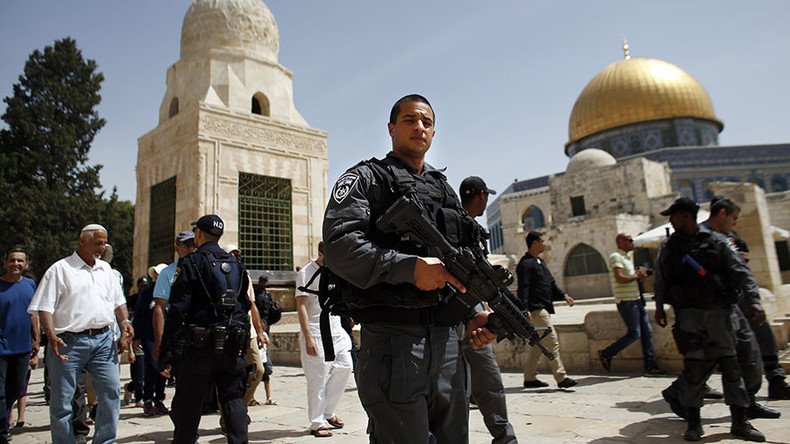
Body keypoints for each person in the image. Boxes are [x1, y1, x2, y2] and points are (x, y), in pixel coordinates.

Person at [323, 94, 495, 442]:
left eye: (427, 122)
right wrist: (407, 268)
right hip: (393, 341)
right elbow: (339, 245)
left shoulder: (442, 189)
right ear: (391, 128)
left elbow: (463, 258)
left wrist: (473, 311)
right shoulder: (367, 179)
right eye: (410, 120)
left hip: (447, 343)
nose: (420, 127)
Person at [653, 197, 766, 442]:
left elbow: (741, 272)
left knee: (731, 368)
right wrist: (659, 307)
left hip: (718, 315)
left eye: (673, 216)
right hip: (689, 317)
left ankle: (740, 421)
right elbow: (661, 280)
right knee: (694, 370)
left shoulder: (717, 242)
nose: (671, 221)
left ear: (685, 216)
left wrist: (754, 301)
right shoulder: (670, 247)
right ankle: (694, 424)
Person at [28, 224, 133, 444]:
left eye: (104, 243)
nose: (102, 247)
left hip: (104, 340)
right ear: (82, 241)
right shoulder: (60, 270)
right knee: (63, 401)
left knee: (111, 393)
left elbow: (118, 301)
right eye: (98, 243)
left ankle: (104, 440)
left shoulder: (106, 270)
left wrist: (124, 323)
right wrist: (50, 335)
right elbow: (44, 307)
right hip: (69, 342)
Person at [159, 215, 251, 444]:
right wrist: (244, 343)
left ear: (198, 234)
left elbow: (178, 310)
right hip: (231, 346)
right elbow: (244, 308)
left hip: (200, 347)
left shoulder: (190, 263)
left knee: (189, 403)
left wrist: (166, 350)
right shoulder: (237, 265)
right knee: (233, 399)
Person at [458, 176, 518, 444]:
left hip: (472, 317)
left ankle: (505, 439)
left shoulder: (473, 231)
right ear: (481, 196)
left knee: (488, 382)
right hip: (451, 321)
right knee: (453, 394)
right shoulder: (455, 226)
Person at [295, 241, 352, 438]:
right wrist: (308, 337)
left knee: (345, 367)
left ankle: (328, 411)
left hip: (336, 330)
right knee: (317, 379)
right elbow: (301, 306)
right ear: (320, 253)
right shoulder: (305, 272)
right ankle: (317, 421)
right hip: (316, 331)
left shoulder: (334, 271)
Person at [517, 231, 578, 389]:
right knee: (552, 342)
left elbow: (550, 283)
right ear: (535, 243)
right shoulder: (525, 264)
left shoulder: (540, 262)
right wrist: (524, 310)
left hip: (544, 307)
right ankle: (561, 377)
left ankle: (529, 378)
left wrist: (563, 296)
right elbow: (523, 289)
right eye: (542, 241)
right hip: (536, 310)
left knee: (538, 345)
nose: (544, 244)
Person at [598, 233, 664, 375]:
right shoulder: (616, 257)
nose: (632, 242)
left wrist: (639, 275)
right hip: (626, 302)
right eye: (630, 240)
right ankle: (606, 353)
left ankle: (650, 366)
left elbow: (629, 277)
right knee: (634, 333)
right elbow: (620, 278)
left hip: (637, 300)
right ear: (621, 241)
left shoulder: (627, 258)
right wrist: (637, 275)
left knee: (647, 332)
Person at [221, 244, 266, 428]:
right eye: (233, 254)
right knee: (228, 377)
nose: (236, 257)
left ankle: (240, 408)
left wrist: (260, 331)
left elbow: (252, 305)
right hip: (228, 332)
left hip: (249, 333)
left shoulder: (244, 276)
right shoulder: (219, 275)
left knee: (258, 370)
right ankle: (228, 418)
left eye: (238, 254)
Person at [0, 249, 39, 444]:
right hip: (1, 347)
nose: (15, 263)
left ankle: (2, 420)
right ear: (6, 262)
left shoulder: (30, 285)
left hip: (22, 347)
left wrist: (36, 341)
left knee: (14, 390)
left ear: (26, 264)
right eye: (12, 260)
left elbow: (34, 315)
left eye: (20, 261)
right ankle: (2, 431)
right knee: (0, 391)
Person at [152, 231, 197, 360]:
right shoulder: (167, 273)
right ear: (177, 247)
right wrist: (159, 344)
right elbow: (159, 308)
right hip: (179, 334)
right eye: (187, 245)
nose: (191, 249)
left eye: (194, 245)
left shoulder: (203, 269)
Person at [133, 263, 169, 417]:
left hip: (166, 336)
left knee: (164, 368)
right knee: (153, 366)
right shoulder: (147, 294)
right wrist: (136, 337)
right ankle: (147, 399)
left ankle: (159, 399)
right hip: (149, 336)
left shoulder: (170, 292)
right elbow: (139, 314)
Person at [252, 275, 278, 405]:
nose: (263, 283)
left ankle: (267, 365)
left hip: (266, 324)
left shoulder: (268, 294)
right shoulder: (255, 293)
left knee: (265, 348)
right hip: (257, 325)